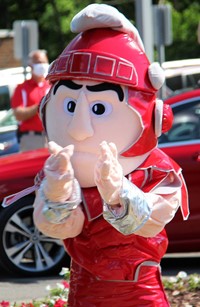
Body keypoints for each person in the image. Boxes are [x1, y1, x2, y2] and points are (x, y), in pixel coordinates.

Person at [32, 4, 189, 306]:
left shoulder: (156, 172)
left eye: (99, 108)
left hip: (139, 291)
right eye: (69, 105)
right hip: (86, 289)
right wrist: (58, 191)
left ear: (156, 118)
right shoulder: (62, 169)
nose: (80, 129)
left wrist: (120, 193)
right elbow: (64, 226)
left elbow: (150, 222)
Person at [11, 49, 50, 151]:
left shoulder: (52, 86)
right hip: (31, 139)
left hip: (51, 137)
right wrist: (40, 106)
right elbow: (18, 114)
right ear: (30, 65)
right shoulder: (22, 88)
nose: (42, 65)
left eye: (44, 62)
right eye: (38, 62)